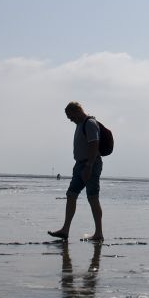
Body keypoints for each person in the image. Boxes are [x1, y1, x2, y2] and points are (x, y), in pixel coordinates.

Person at [48, 102, 104, 242]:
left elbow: (94, 144)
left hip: (90, 164)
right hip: (80, 165)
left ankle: (99, 233)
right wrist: (78, 163)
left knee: (92, 197)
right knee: (71, 194)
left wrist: (89, 166)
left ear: (77, 111)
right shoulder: (79, 124)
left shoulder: (90, 123)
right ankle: (65, 230)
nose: (69, 119)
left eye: (70, 116)